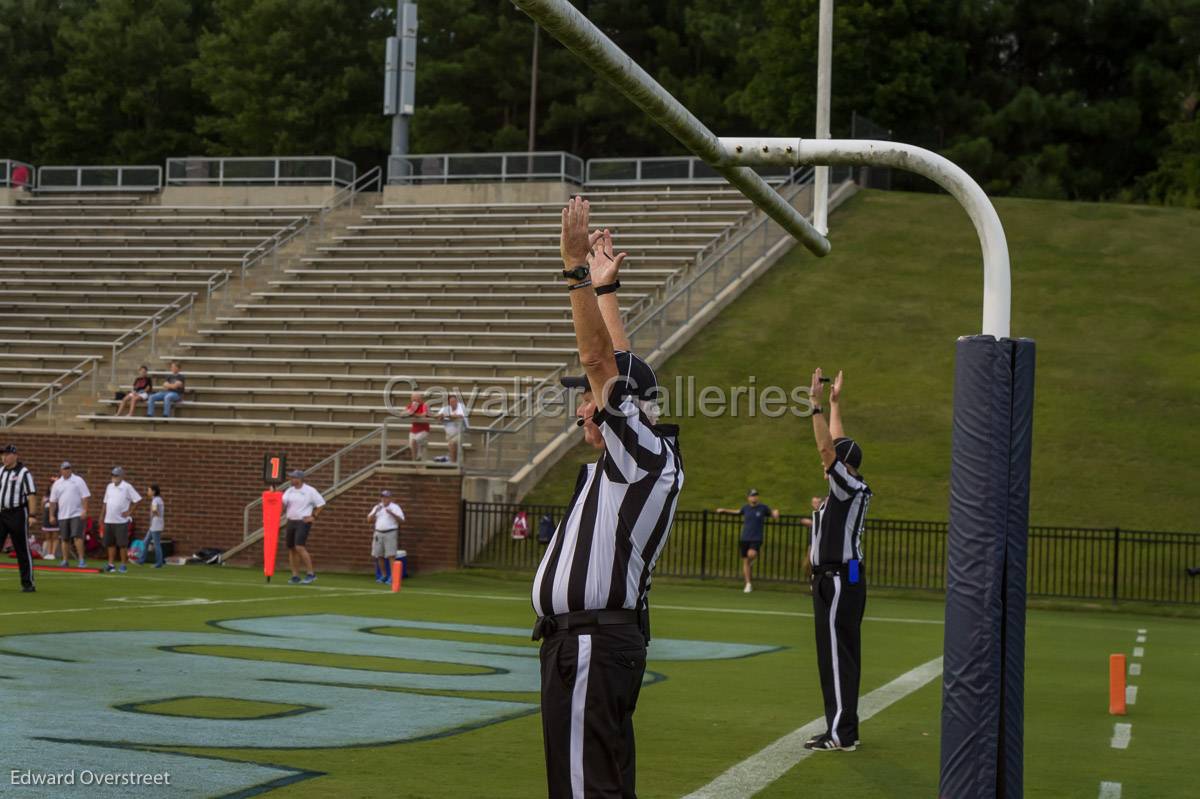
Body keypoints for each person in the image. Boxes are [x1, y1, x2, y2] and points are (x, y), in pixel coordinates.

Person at [532, 198, 684, 798]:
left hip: (591, 644)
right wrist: (607, 292)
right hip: (593, 643)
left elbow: (602, 364)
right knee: (606, 783)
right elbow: (620, 368)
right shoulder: (640, 455)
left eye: (589, 400)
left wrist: (573, 269)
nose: (583, 408)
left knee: (584, 789)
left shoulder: (639, 455)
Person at [804, 369, 872, 753]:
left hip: (840, 578)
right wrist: (834, 404)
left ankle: (842, 733)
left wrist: (813, 403)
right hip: (836, 577)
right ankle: (840, 727)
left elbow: (829, 450)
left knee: (837, 656)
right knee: (834, 655)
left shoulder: (848, 484)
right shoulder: (848, 485)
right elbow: (837, 446)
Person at [716, 489, 781, 593]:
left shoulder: (763, 508)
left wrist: (776, 512)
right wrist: (724, 510)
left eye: (755, 495)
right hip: (745, 537)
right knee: (745, 561)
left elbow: (774, 515)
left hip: (756, 538)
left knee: (751, 554)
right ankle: (748, 584)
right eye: (752, 496)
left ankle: (751, 563)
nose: (754, 497)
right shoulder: (745, 508)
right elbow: (737, 512)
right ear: (748, 498)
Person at [0, 444, 38, 592]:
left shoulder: (24, 472)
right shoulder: (1, 471)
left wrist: (33, 515)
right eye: (3, 454)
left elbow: (31, 495)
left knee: (21, 549)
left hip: (17, 514)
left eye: (7, 454)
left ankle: (28, 583)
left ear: (15, 456)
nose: (4, 457)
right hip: (2, 513)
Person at [281, 470, 324, 584]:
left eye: (294, 478)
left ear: (300, 479)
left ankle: (311, 574)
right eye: (291, 478)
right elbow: (282, 503)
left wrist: (313, 516)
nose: (291, 480)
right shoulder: (289, 490)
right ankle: (295, 575)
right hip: (291, 521)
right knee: (291, 548)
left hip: (303, 521)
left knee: (299, 546)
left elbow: (321, 504)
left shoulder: (310, 491)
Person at [49, 461, 90, 568]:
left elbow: (85, 496)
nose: (66, 470)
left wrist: (84, 510)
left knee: (77, 537)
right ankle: (65, 560)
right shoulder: (57, 484)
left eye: (68, 468)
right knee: (64, 538)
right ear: (61, 470)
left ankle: (81, 560)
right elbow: (53, 501)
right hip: (62, 515)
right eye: (64, 469)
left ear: (71, 469)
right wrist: (51, 515)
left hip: (76, 513)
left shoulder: (78, 480)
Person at [101, 467, 142, 574]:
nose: (114, 477)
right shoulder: (109, 486)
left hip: (121, 521)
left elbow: (137, 500)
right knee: (110, 544)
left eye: (116, 475)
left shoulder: (127, 487)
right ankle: (111, 564)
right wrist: (102, 516)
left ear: (121, 476)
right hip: (109, 520)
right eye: (113, 475)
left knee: (122, 544)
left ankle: (123, 565)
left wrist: (129, 512)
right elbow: (105, 502)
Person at [368, 489, 405, 583]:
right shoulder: (377, 507)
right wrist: (376, 511)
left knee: (391, 555)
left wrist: (391, 513)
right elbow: (369, 519)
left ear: (391, 498)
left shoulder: (395, 507)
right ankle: (384, 575)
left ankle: (393, 577)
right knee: (379, 555)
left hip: (390, 532)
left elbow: (402, 521)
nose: (385, 499)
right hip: (378, 533)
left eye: (387, 497)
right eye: (383, 497)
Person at [137, 485, 165, 568]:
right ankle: (141, 560)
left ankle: (159, 563)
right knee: (145, 542)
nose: (147, 492)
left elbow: (154, 510)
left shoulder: (155, 500)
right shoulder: (159, 499)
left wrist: (155, 515)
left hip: (155, 525)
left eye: (149, 490)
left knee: (156, 544)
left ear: (154, 491)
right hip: (155, 524)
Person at [438, 394, 469, 464]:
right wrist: (440, 417)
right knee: (453, 446)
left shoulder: (461, 406)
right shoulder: (445, 408)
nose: (453, 403)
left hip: (461, 432)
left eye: (455, 401)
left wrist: (447, 415)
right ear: (449, 403)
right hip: (449, 435)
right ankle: (456, 462)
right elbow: (438, 417)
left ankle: (453, 463)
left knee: (452, 444)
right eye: (451, 402)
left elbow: (460, 416)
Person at [403, 391, 430, 461]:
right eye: (413, 399)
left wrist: (413, 414)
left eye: (417, 399)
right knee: (412, 445)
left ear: (420, 399)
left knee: (414, 441)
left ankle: (415, 460)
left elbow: (423, 415)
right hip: (414, 430)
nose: (415, 401)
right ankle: (416, 460)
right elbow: (403, 413)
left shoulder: (424, 405)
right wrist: (410, 411)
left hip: (423, 430)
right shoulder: (410, 406)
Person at [40, 487, 60, 561]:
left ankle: (53, 553)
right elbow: (42, 508)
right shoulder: (45, 497)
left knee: (55, 536)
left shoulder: (59, 497)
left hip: (56, 518)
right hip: (46, 519)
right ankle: (49, 553)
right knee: (48, 537)